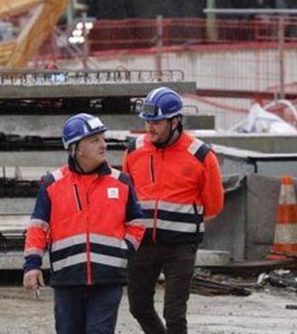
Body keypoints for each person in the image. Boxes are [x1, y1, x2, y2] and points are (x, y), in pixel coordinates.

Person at [23, 113, 146, 334]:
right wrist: (32, 266)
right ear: (76, 148)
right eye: (94, 140)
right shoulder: (52, 184)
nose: (103, 144)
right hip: (67, 280)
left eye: (102, 138)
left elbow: (137, 223)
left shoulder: (121, 183)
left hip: (108, 280)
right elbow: (38, 227)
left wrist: (123, 250)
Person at [123, 87, 224, 334]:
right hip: (143, 244)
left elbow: (214, 205)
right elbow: (127, 197)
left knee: (174, 314)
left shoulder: (200, 155)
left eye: (156, 122)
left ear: (175, 121)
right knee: (138, 306)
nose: (149, 128)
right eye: (147, 121)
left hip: (181, 246)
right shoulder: (134, 150)